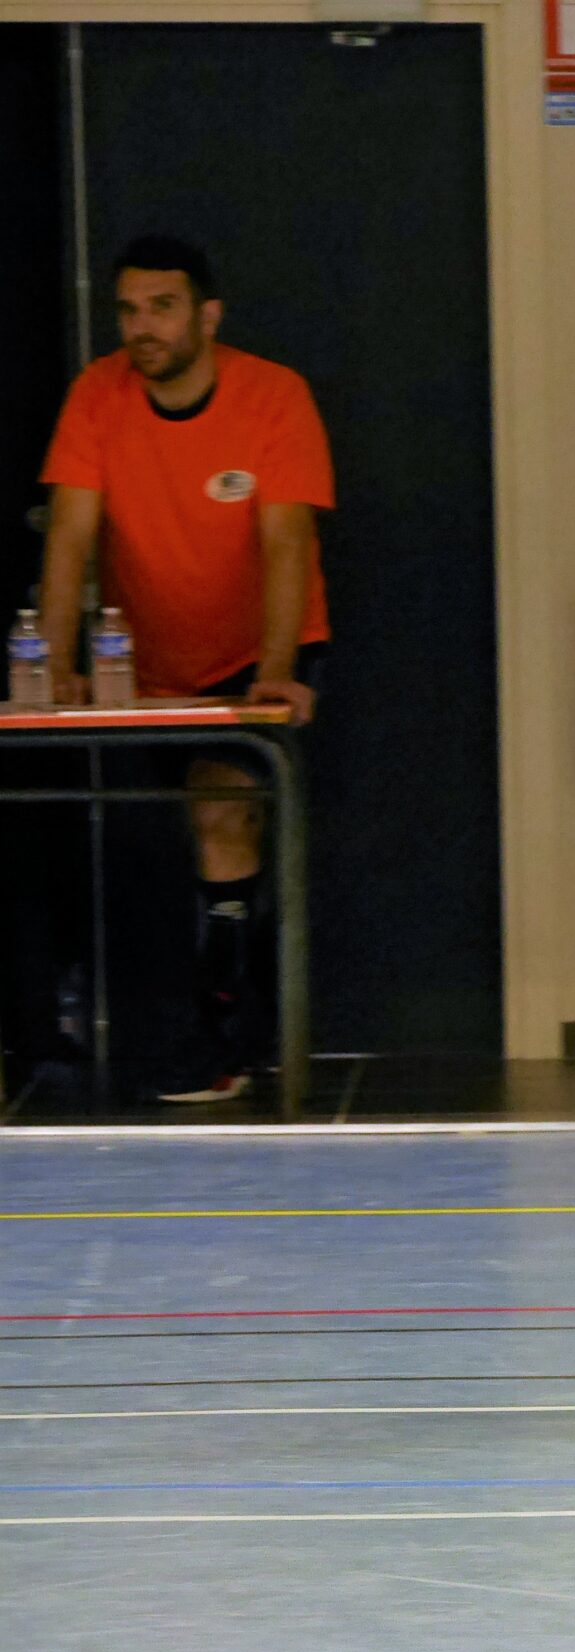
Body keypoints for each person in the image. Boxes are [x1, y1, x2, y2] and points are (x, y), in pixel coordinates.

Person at [36, 235, 334, 1104]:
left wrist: (273, 678)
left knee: (221, 813)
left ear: (207, 315)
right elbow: (69, 540)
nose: (142, 328)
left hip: (258, 652)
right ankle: (228, 1007)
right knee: (204, 831)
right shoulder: (98, 395)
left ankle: (223, 1042)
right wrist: (54, 667)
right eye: (128, 310)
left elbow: (286, 543)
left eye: (161, 308)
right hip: (150, 659)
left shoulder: (274, 396)